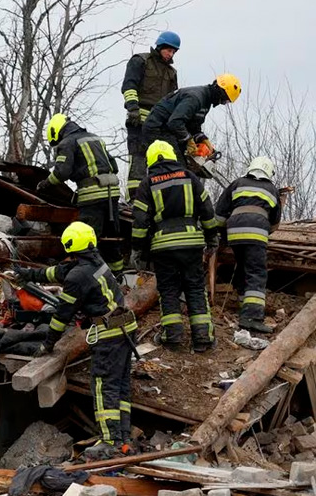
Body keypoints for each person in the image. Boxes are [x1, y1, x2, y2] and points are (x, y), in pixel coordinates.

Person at [9, 222, 138, 460]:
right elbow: (58, 272)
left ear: (70, 245)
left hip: (109, 335)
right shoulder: (95, 263)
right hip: (125, 330)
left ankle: (110, 441)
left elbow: (61, 317)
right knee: (120, 386)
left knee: (103, 386)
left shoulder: (78, 276)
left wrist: (47, 344)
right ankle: (123, 438)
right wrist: (28, 274)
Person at [131, 141, 219, 353]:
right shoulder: (190, 177)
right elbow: (207, 211)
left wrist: (139, 249)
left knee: (169, 290)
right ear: (172, 156)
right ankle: (203, 338)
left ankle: (173, 337)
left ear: (151, 160)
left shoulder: (147, 183)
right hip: (191, 244)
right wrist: (211, 238)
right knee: (195, 288)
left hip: (163, 247)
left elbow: (140, 222)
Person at [39, 114, 124, 274]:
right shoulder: (95, 138)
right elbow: (114, 165)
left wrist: (44, 184)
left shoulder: (66, 143)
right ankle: (118, 277)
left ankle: (91, 277)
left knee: (87, 240)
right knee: (110, 240)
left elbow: (61, 173)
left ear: (55, 132)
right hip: (112, 194)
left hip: (92, 198)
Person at [214, 156, 282, 334]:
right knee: (257, 272)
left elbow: (220, 214)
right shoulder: (272, 190)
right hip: (257, 232)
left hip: (234, 232)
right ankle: (252, 318)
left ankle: (245, 307)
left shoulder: (237, 184)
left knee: (243, 268)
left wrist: (221, 235)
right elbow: (275, 222)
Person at [121, 31, 180, 202]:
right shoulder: (140, 61)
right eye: (168, 50)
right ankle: (134, 199)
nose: (170, 54)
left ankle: (156, 199)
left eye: (173, 52)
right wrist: (132, 108)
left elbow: (173, 99)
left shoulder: (171, 72)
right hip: (138, 119)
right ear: (160, 46)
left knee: (161, 161)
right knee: (138, 159)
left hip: (160, 126)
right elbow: (129, 85)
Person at [141, 74, 242, 164]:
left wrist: (202, 139)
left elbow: (193, 126)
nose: (222, 103)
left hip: (169, 130)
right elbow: (175, 122)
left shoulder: (205, 101)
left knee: (184, 165)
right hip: (157, 129)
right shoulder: (195, 98)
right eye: (225, 100)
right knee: (177, 165)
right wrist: (188, 140)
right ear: (221, 92)